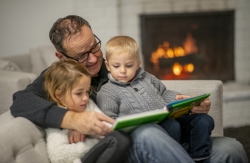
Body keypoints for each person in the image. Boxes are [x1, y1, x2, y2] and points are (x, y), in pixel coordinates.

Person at [10, 15, 248, 163]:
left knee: (231, 147)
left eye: (94, 47)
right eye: (81, 56)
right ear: (61, 57)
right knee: (147, 133)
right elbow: (21, 101)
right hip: (129, 147)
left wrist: (187, 104)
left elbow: (158, 92)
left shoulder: (115, 64)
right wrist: (71, 118)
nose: (93, 59)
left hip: (170, 137)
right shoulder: (61, 75)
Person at [96, 35, 214, 162]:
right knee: (172, 125)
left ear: (137, 64)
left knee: (204, 120)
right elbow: (109, 122)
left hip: (169, 120)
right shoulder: (107, 91)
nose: (123, 71)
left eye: (129, 65)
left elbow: (163, 93)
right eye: (116, 66)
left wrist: (176, 97)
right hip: (145, 135)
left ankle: (198, 157)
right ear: (108, 66)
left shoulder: (147, 78)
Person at [43, 60, 130, 163]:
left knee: (121, 137)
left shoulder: (87, 104)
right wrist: (93, 143)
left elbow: (105, 128)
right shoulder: (56, 115)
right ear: (59, 95)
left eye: (87, 91)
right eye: (79, 93)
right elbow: (57, 155)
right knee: (118, 139)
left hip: (95, 155)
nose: (85, 97)